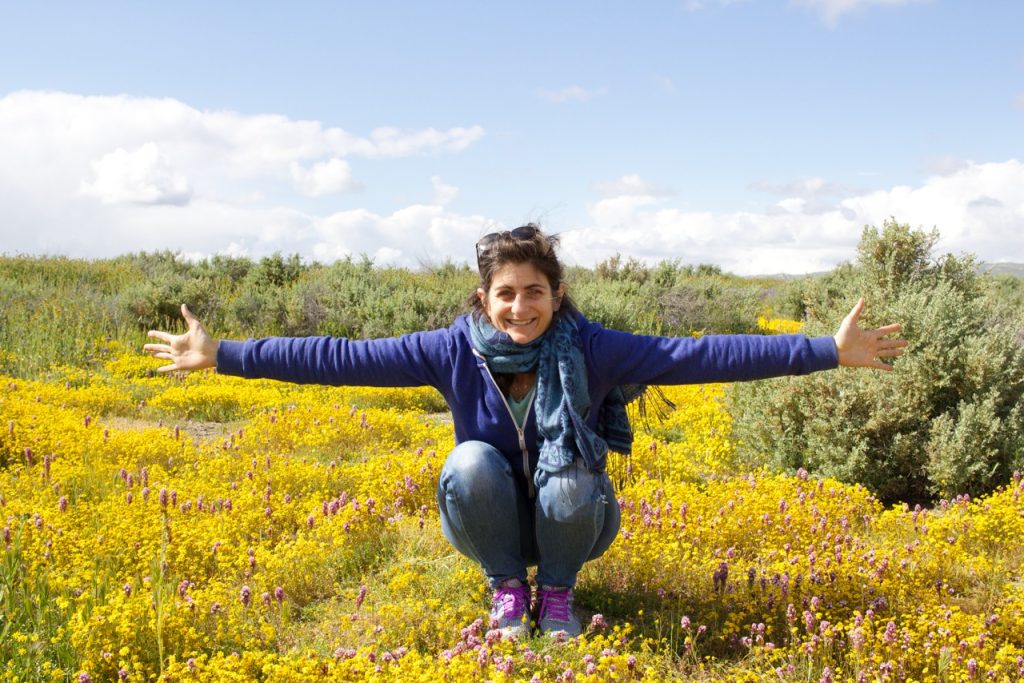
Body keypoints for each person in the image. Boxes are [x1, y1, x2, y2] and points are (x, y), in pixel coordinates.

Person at [144, 224, 906, 640]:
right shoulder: (450, 348)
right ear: (484, 298)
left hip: (576, 515)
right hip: (494, 517)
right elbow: (340, 357)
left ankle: (562, 595)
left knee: (574, 470)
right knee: (470, 461)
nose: (521, 307)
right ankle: (509, 589)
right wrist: (225, 357)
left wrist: (826, 351)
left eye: (534, 292)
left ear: (556, 292)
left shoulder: (595, 346)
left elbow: (700, 355)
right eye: (505, 294)